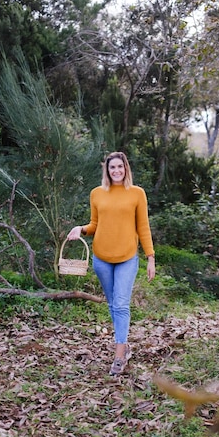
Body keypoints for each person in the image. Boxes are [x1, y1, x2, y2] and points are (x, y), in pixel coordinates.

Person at [67, 151, 156, 376]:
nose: (116, 171)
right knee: (112, 305)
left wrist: (150, 257)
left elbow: (143, 227)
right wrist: (81, 229)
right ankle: (123, 346)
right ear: (107, 170)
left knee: (121, 305)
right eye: (112, 167)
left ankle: (119, 355)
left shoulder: (137, 194)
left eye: (120, 167)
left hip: (127, 257)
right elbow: (95, 224)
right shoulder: (97, 193)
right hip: (101, 259)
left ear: (126, 168)